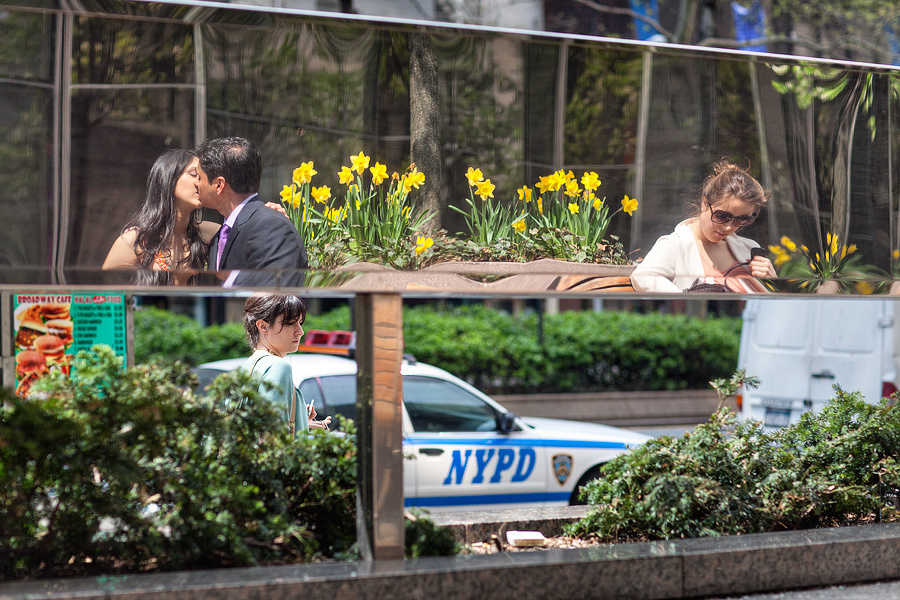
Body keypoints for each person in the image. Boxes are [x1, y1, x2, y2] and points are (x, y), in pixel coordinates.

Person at [630, 161, 777, 293]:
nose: (728, 227)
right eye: (722, 216)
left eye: (742, 220)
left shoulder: (750, 249)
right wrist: (687, 301)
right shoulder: (675, 245)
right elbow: (642, 277)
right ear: (704, 203)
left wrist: (773, 283)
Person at [197, 136, 307, 288]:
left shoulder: (271, 227)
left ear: (219, 185)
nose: (196, 184)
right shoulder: (221, 236)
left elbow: (276, 297)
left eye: (199, 177)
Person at [102, 149, 216, 285]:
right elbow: (104, 297)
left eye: (203, 177)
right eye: (194, 175)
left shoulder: (208, 234)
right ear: (166, 179)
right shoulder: (135, 241)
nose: (200, 183)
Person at [242, 294, 330, 435]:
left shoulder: (250, 365)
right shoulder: (277, 366)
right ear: (263, 326)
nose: (300, 332)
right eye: (290, 323)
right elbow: (273, 439)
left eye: (300, 323)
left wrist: (300, 419)